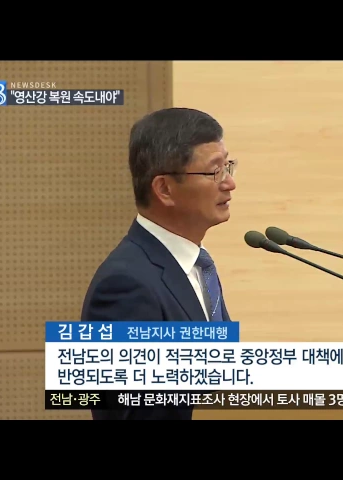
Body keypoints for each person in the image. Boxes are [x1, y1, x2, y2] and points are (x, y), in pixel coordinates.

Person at [80, 107, 238, 420]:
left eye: (228, 167)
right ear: (164, 189)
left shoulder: (200, 266)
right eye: (214, 172)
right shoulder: (124, 285)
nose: (229, 183)